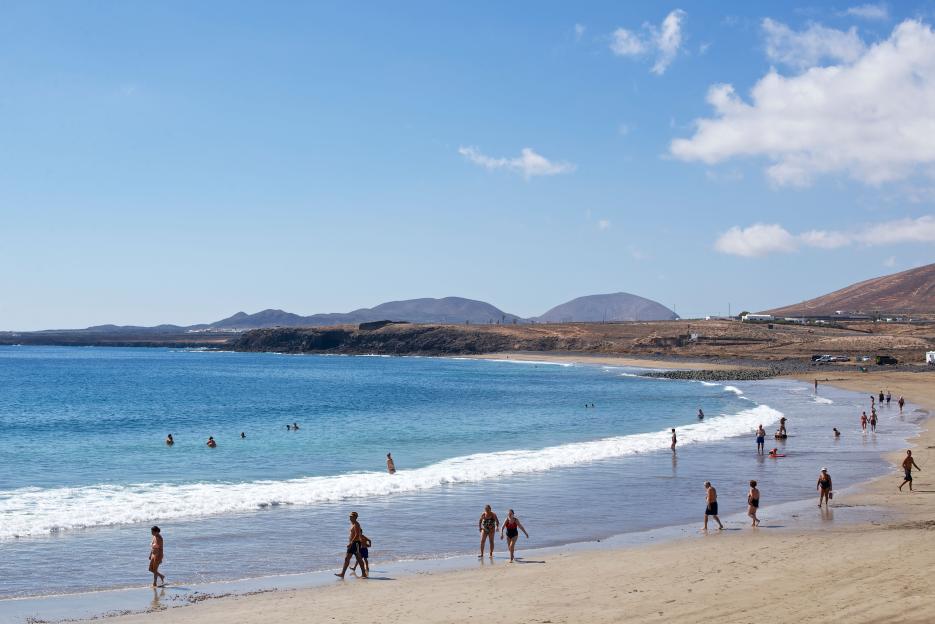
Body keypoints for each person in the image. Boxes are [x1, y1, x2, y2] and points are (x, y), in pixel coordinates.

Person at [335, 511, 366, 578]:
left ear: (355, 517)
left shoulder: (356, 524)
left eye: (351, 516)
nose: (350, 517)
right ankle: (342, 574)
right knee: (348, 558)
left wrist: (351, 543)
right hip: (354, 543)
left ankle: (363, 574)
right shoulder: (353, 524)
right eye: (350, 516)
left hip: (355, 544)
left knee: (358, 559)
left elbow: (357, 535)